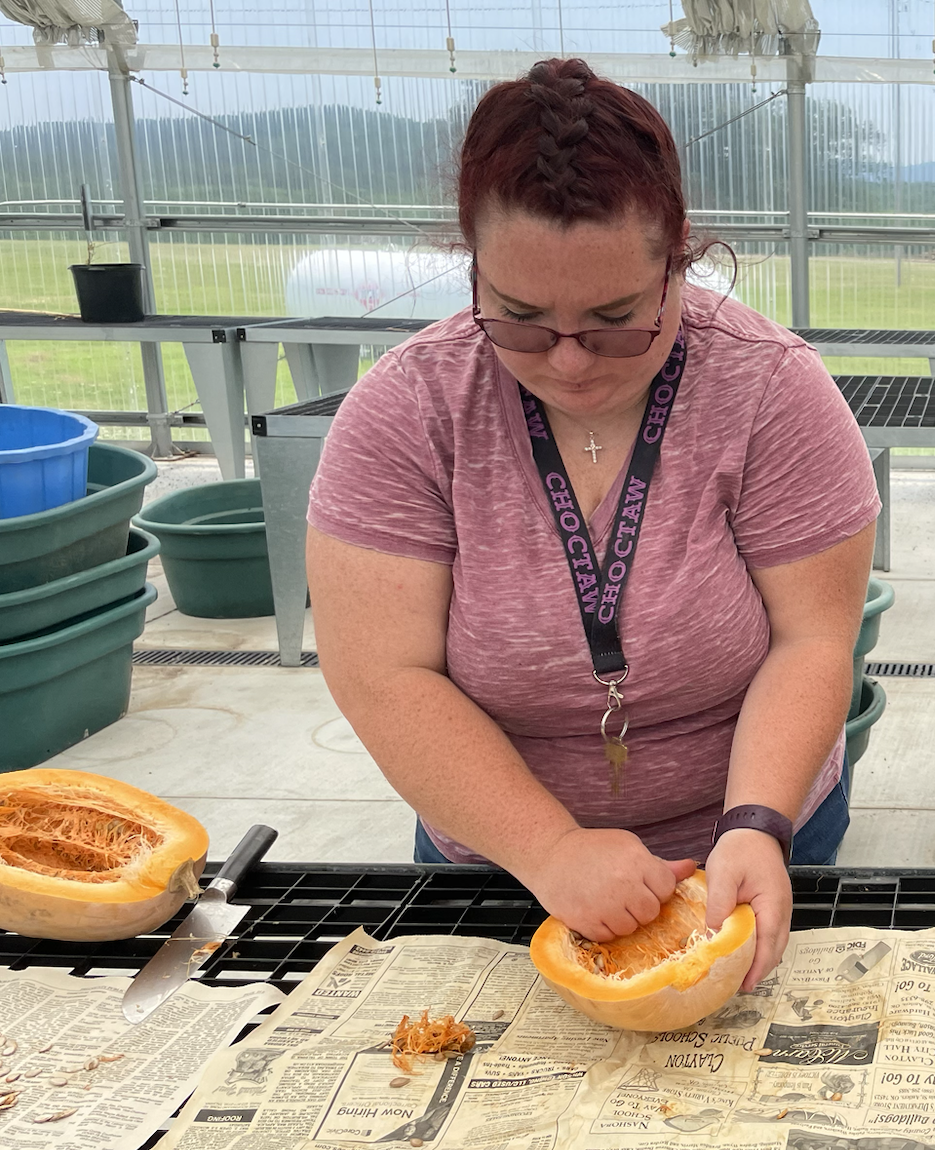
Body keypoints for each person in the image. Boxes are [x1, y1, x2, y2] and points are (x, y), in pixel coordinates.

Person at [308, 59, 879, 991]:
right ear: (473, 269)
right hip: (498, 862)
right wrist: (549, 850)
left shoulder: (771, 390)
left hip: (746, 845)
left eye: (616, 320)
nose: (569, 364)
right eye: (521, 321)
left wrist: (759, 823)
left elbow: (812, 639)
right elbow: (381, 673)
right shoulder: (409, 410)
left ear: (678, 258)